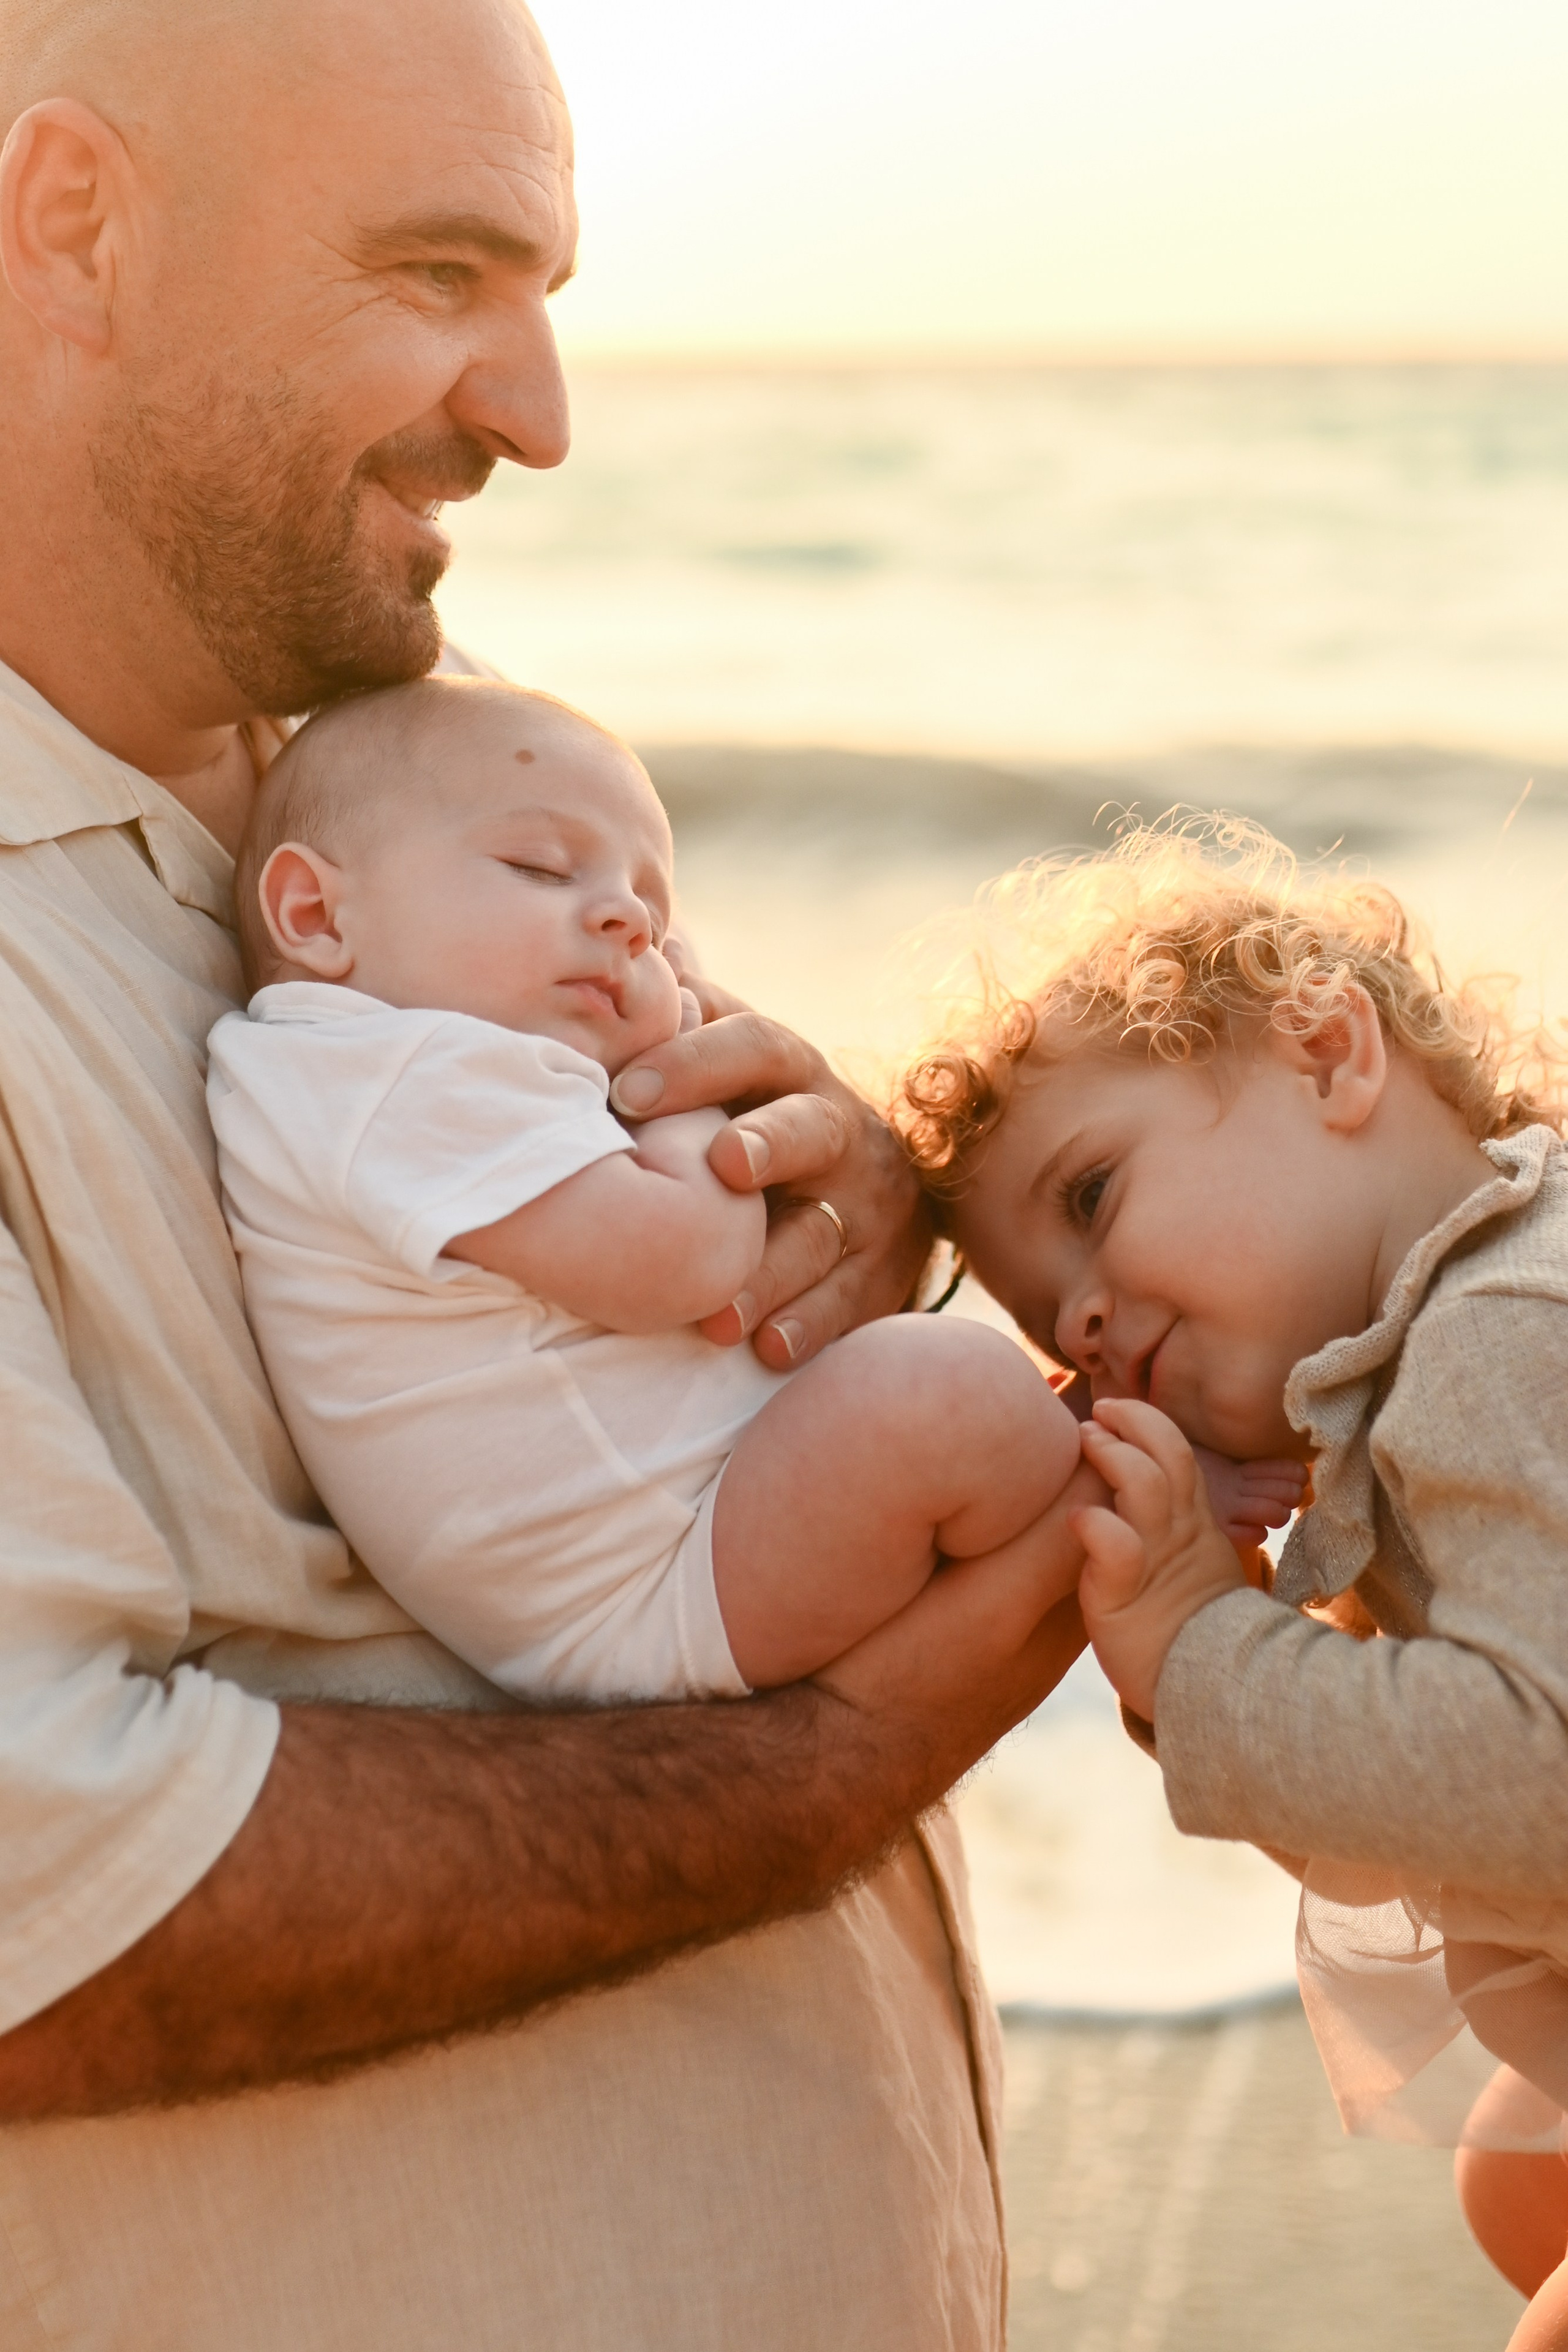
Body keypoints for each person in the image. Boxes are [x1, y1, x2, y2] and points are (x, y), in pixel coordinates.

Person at [0, 1, 1103, 2343]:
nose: (539, 414)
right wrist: (847, 1754)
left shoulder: (387, 750)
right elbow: (44, 1922)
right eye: (435, 276)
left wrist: (840, 1192)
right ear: (73, 224)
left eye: (544, 301)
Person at [899, 820, 1568, 2352]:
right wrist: (1207, 1643)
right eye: (1048, 1339)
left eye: (1087, 1199)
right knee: (1510, 2183)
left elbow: (1533, 1772)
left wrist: (1200, 1650)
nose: (1079, 1320)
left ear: (1328, 1054)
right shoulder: (1464, 1319)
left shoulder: (1497, 1334)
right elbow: (1390, 1834)